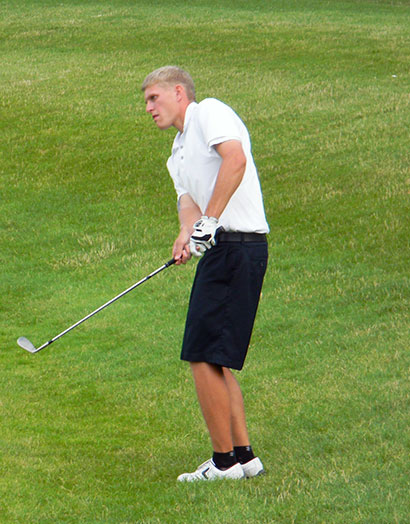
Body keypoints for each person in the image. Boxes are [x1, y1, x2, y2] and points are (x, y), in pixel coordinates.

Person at [141, 66, 269, 481]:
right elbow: (188, 204)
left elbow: (236, 159)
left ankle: (223, 462)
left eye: (153, 98)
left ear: (178, 92)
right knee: (214, 357)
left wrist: (210, 221)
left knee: (200, 354)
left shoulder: (209, 113)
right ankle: (244, 457)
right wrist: (186, 233)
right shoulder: (175, 152)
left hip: (237, 245)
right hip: (224, 250)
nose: (148, 108)